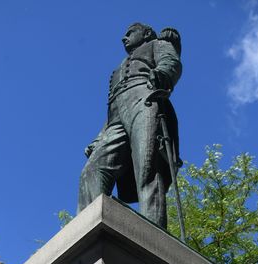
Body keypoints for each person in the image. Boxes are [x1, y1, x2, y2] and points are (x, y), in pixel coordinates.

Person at [78, 22, 182, 229]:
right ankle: (88, 229)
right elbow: (113, 108)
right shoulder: (117, 69)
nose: (123, 38)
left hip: (145, 98)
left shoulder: (157, 44)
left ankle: (153, 233)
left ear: (146, 33)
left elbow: (171, 62)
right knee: (92, 170)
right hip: (116, 113)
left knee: (148, 166)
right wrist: (100, 137)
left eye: (130, 33)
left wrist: (162, 74)